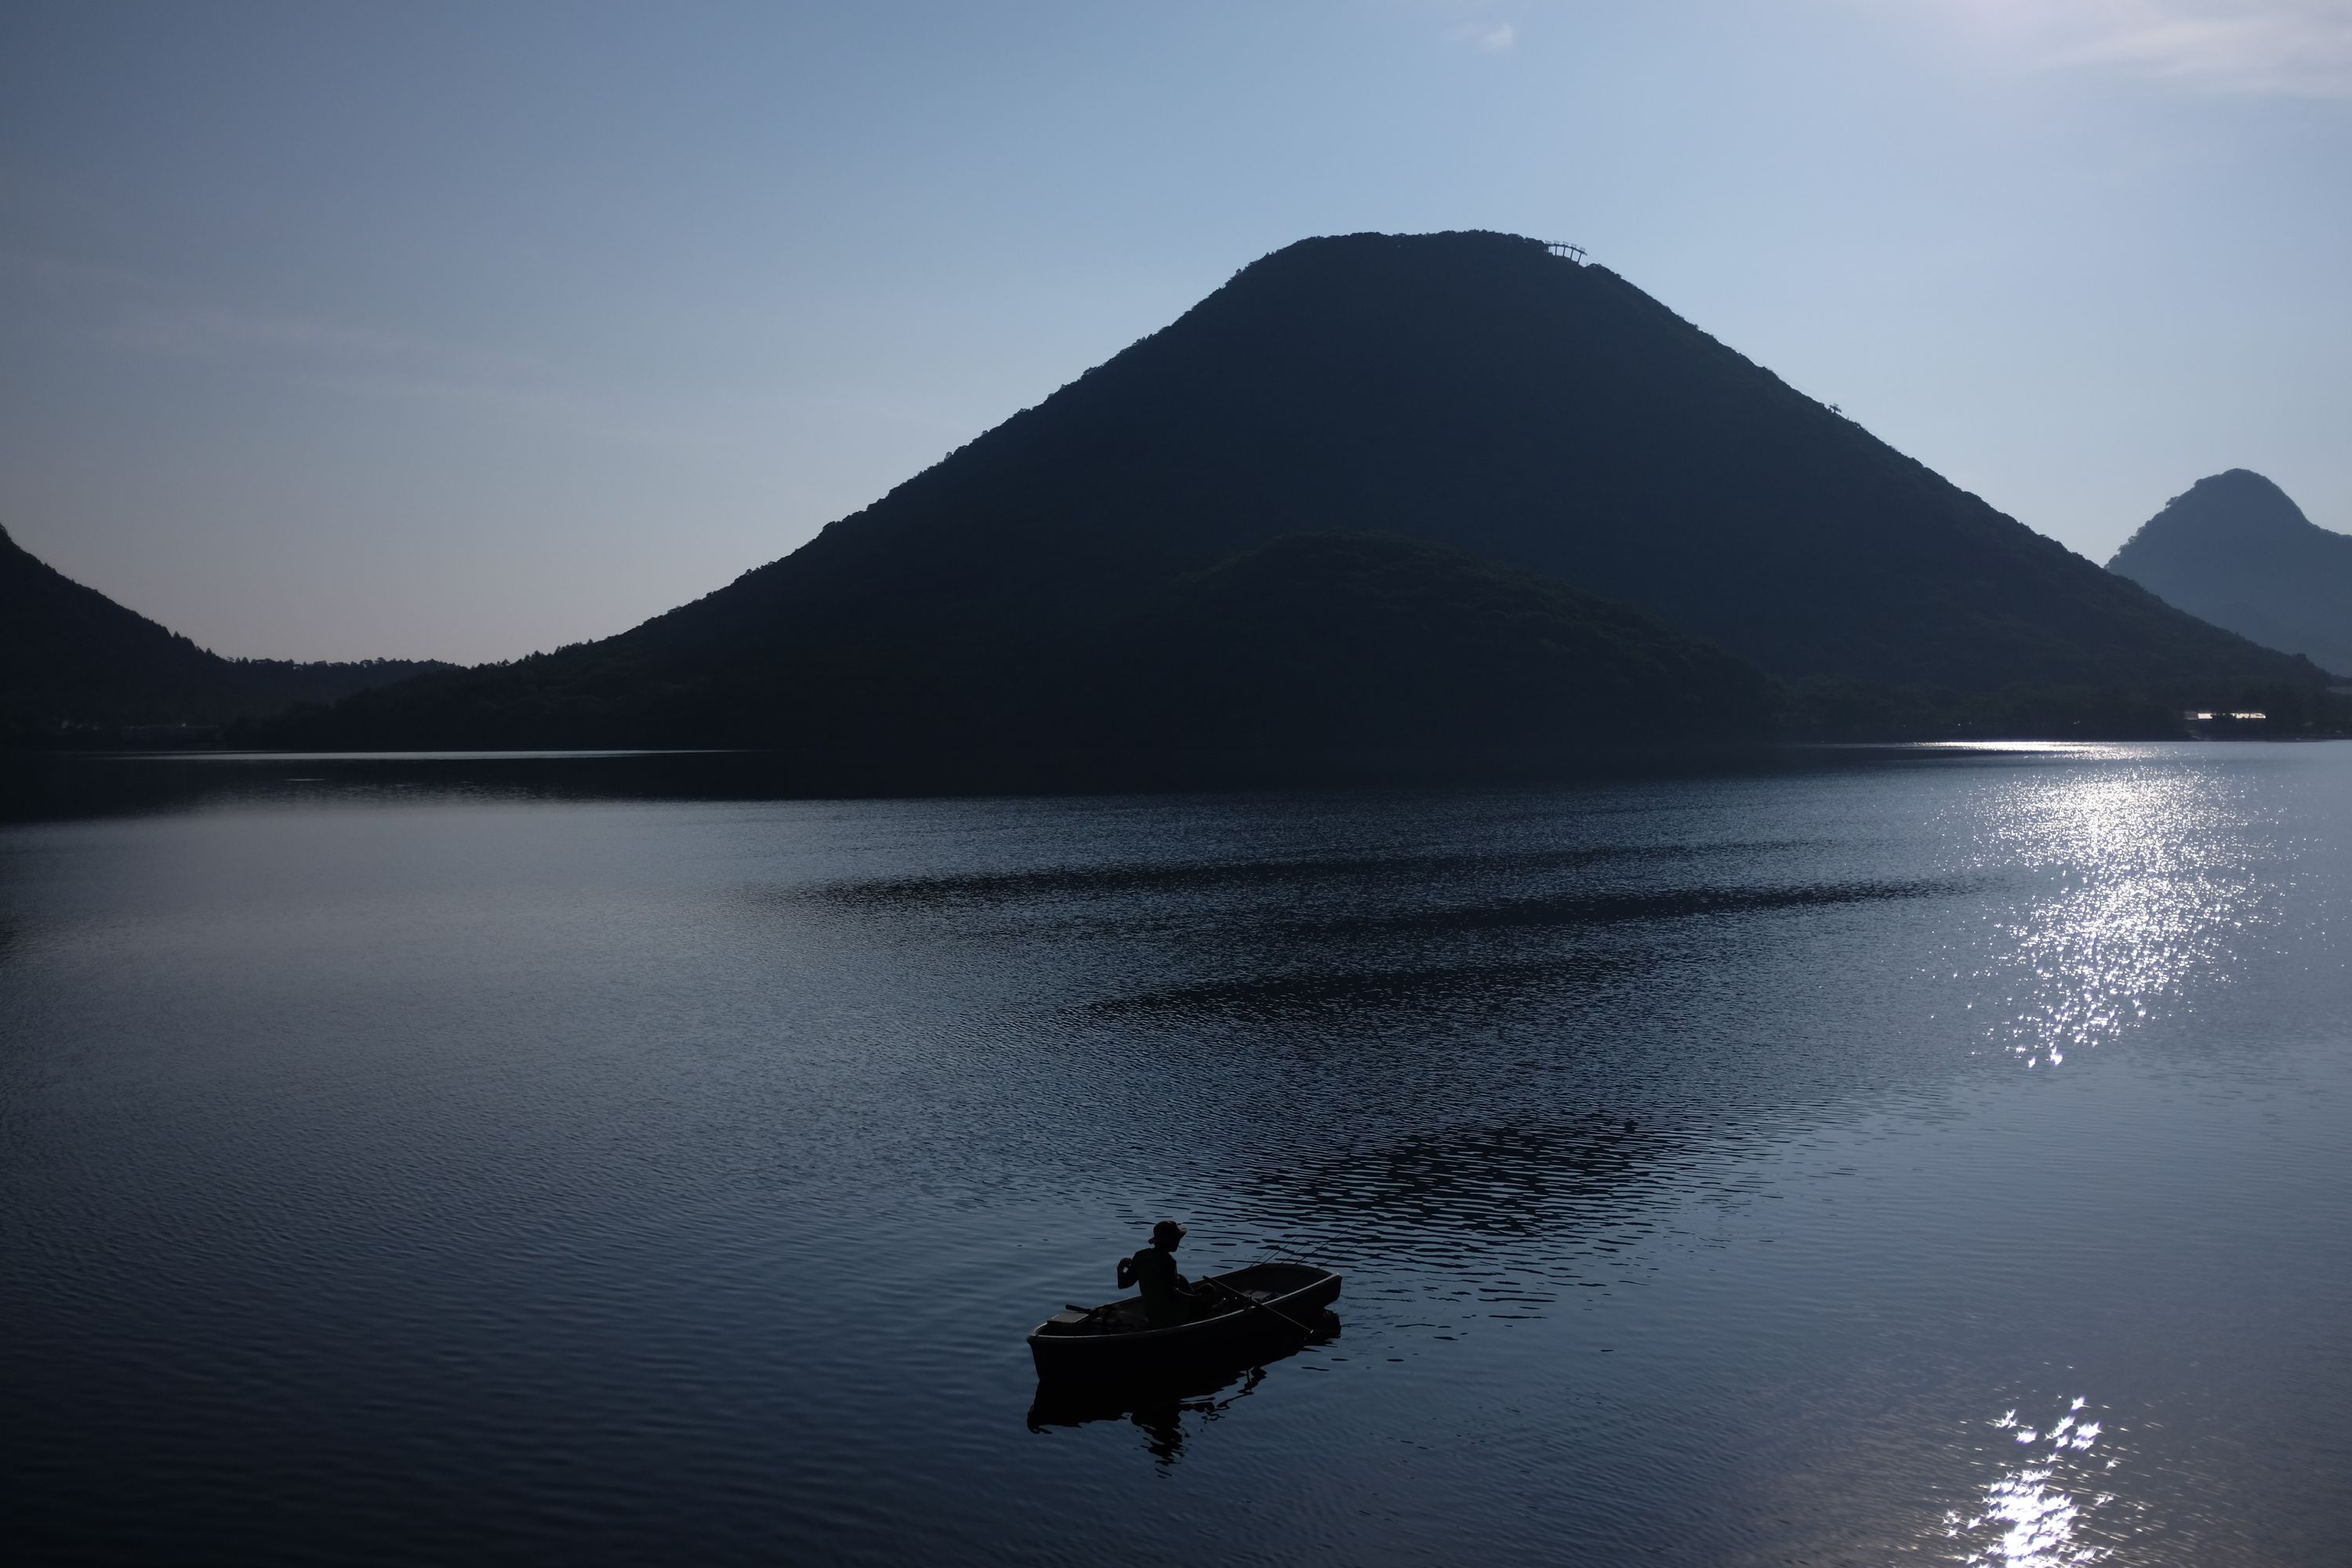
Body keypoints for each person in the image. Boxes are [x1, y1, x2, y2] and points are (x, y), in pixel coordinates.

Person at [1117, 1220, 1218, 1327]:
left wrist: (1120, 1269)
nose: (1178, 1242)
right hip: (1171, 1319)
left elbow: (1123, 1284)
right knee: (1208, 1288)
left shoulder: (1140, 1256)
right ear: (1171, 1241)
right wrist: (1195, 1298)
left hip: (1152, 1316)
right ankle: (1205, 1318)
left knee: (1181, 1279)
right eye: (1176, 1239)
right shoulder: (1169, 1261)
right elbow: (1172, 1293)